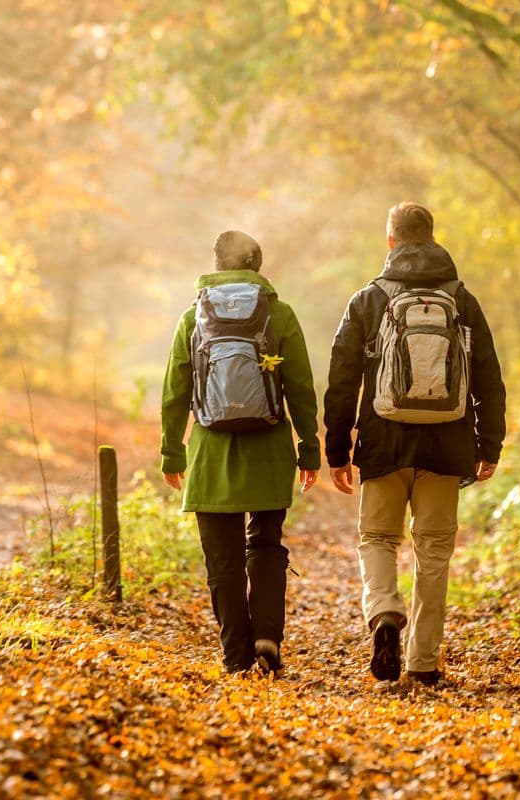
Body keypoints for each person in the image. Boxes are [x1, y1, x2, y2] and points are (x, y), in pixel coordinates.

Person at [324, 202, 506, 686]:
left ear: (391, 242)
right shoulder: (461, 299)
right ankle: (422, 662)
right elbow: (488, 375)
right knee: (434, 552)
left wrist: (337, 451)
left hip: (383, 444)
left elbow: (341, 377)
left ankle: (384, 610)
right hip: (447, 446)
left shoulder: (368, 300)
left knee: (379, 538)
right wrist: (489, 444)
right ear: (431, 236)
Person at [161, 230, 321, 676]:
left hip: (211, 452)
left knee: (223, 561)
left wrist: (172, 452)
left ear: (216, 264)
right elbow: (302, 388)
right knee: (266, 546)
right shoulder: (280, 314)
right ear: (256, 266)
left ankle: (237, 656)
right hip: (269, 451)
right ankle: (267, 636)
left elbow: (175, 391)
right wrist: (309, 449)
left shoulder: (193, 318)